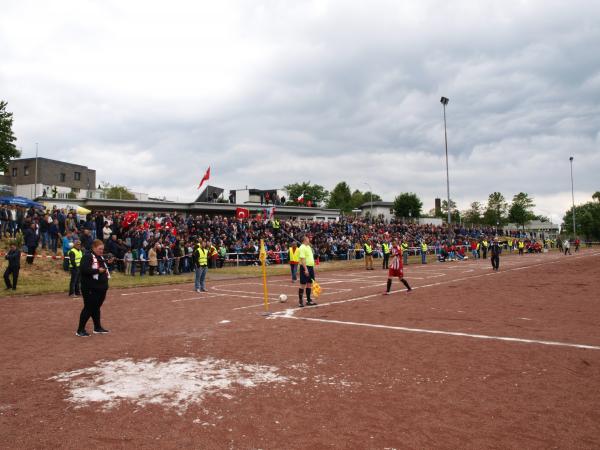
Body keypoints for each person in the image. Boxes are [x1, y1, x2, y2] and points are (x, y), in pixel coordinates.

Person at [76, 239, 111, 337]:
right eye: (100, 249)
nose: (101, 251)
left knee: (96, 308)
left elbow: (103, 269)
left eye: (102, 249)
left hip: (101, 288)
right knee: (88, 308)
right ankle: (80, 330)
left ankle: (97, 327)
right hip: (90, 288)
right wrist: (97, 271)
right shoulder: (87, 256)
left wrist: (109, 263)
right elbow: (84, 269)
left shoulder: (99, 257)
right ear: (94, 247)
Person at [298, 235, 317, 307]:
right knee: (303, 284)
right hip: (305, 267)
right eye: (308, 239)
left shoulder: (308, 247)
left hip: (311, 267)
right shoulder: (302, 247)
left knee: (309, 283)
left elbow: (310, 246)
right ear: (305, 240)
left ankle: (308, 300)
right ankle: (300, 301)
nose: (309, 239)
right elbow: (302, 259)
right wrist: (305, 269)